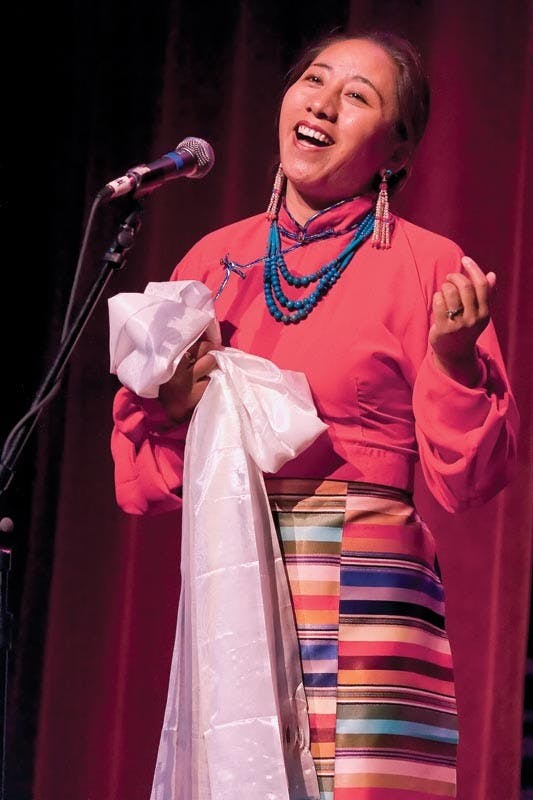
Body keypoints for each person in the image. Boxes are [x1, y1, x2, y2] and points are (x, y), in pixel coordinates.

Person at [110, 29, 519, 800]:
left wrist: (457, 362)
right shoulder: (213, 261)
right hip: (233, 560)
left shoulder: (427, 265)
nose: (323, 106)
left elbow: (473, 479)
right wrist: (168, 407)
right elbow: (141, 482)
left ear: (395, 152)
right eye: (314, 82)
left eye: (358, 98)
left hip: (365, 579)